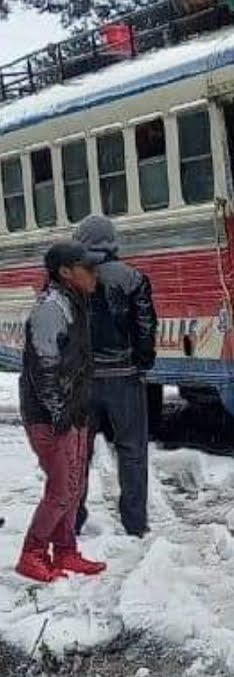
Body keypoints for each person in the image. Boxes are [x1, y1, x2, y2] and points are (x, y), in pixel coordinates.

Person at [17, 242, 105, 583]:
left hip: (74, 410)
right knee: (62, 489)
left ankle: (65, 550)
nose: (95, 273)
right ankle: (32, 552)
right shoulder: (51, 309)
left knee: (74, 483)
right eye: (88, 267)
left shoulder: (74, 302)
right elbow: (44, 367)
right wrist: (58, 413)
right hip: (51, 415)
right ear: (65, 272)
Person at [72, 214, 157, 537]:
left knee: (77, 454)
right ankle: (134, 524)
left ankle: (72, 521)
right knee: (132, 452)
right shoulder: (133, 278)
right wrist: (141, 362)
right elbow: (145, 328)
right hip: (124, 378)